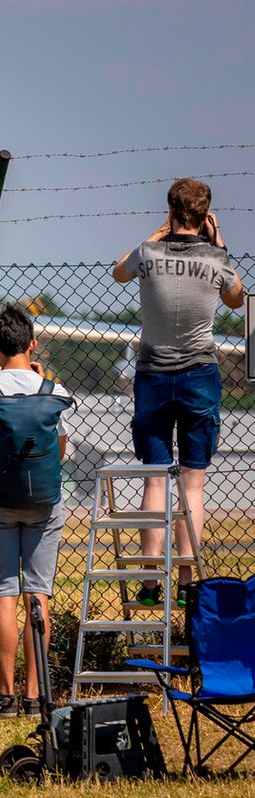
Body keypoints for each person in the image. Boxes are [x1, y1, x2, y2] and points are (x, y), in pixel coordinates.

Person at [113, 178, 243, 608]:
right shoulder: (215, 258)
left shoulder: (148, 255)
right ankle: (187, 578)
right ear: (205, 216)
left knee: (154, 475)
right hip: (199, 374)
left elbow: (118, 271)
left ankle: (151, 582)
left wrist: (155, 234)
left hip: (152, 373)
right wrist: (218, 241)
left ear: (170, 212)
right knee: (193, 481)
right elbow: (236, 300)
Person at [0, 305, 71, 718]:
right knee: (37, 593)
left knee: (4, 592)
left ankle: (4, 695)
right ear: (32, 343)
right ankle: (33, 693)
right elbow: (60, 451)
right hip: (46, 501)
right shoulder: (54, 392)